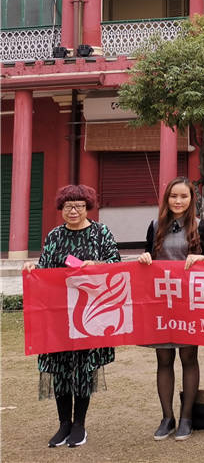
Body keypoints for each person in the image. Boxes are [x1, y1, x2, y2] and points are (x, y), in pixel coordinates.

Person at [23, 185, 121, 448]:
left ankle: (79, 425)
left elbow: (116, 264)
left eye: (79, 205)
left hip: (89, 314)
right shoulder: (54, 235)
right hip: (58, 315)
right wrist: (33, 268)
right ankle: (63, 423)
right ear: (61, 209)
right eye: (68, 206)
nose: (73, 211)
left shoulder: (100, 233)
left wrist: (96, 265)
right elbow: (45, 267)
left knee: (83, 369)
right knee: (60, 369)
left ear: (88, 207)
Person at [137, 177, 204, 441]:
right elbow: (148, 256)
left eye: (183, 196)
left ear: (191, 200)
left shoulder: (200, 226)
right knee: (163, 359)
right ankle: (167, 417)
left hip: (189, 302)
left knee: (188, 358)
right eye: (173, 196)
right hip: (161, 302)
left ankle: (186, 418)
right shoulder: (155, 225)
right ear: (166, 199)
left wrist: (201, 258)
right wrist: (145, 257)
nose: (178, 201)